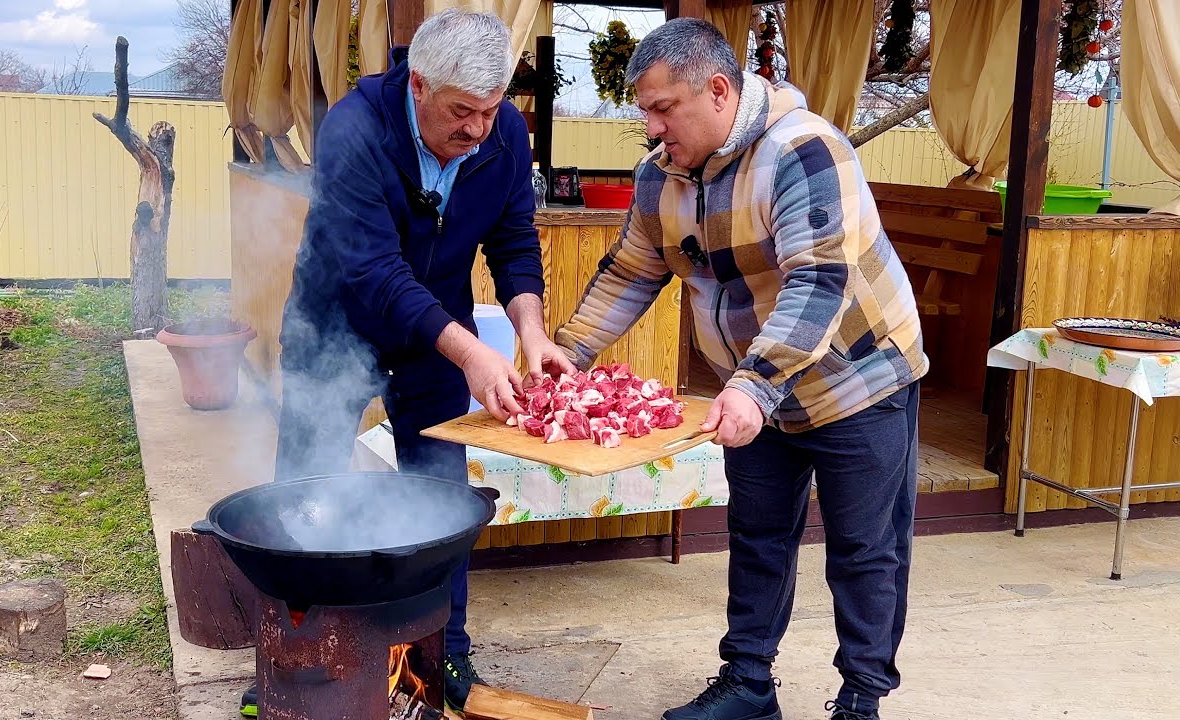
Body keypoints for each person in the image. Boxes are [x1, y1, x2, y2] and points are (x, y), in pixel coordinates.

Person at [552, 18, 927, 720]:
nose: (652, 127)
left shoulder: (803, 150)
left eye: (664, 109)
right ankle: (749, 684)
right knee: (757, 533)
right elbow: (632, 271)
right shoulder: (659, 176)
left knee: (864, 549)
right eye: (645, 111)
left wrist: (753, 384)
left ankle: (861, 699)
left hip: (858, 378)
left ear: (718, 91)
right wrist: (568, 352)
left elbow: (817, 282)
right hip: (756, 387)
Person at [245, 8, 576, 716]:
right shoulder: (356, 128)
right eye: (463, 112)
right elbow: (373, 271)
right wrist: (473, 352)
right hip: (337, 318)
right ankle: (290, 648)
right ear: (418, 84)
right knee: (304, 486)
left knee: (440, 492)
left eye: (492, 112)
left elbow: (514, 242)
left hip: (434, 339)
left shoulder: (504, 134)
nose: (480, 130)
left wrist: (532, 331)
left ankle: (444, 648)